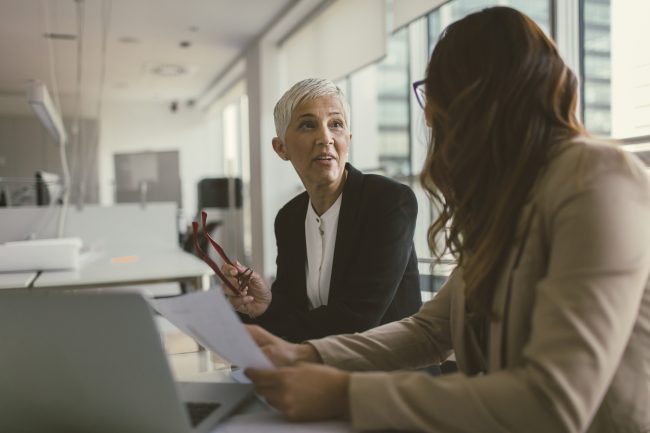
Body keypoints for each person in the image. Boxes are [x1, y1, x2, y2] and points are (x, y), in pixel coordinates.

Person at [240, 7, 650, 433]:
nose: (430, 116)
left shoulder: (597, 178)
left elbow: (553, 402)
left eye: (437, 94)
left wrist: (344, 394)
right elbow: (430, 330)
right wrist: (305, 356)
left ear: (486, 100)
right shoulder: (508, 202)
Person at [222, 78, 422, 343]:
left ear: (347, 140)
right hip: (323, 368)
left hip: (390, 376)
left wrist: (276, 320)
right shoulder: (289, 217)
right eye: (308, 125)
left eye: (336, 125)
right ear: (281, 148)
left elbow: (357, 320)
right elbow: (292, 308)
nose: (325, 138)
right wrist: (264, 304)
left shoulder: (389, 202)